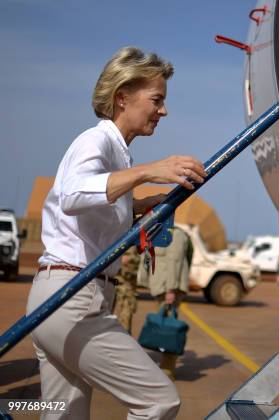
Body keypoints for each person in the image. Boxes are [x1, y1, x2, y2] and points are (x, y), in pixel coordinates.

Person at [25, 46, 206, 420]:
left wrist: (141, 204)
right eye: (157, 100)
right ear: (123, 97)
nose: (164, 110)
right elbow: (73, 194)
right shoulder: (97, 141)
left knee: (63, 415)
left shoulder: (118, 154)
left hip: (61, 297)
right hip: (72, 298)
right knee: (158, 401)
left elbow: (92, 208)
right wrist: (148, 172)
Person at [138, 226, 191, 381]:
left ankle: (167, 370)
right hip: (162, 287)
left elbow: (174, 262)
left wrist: (171, 289)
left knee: (169, 329)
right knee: (164, 327)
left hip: (168, 288)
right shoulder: (159, 230)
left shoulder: (175, 234)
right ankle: (166, 367)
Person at [112, 246, 140, 334]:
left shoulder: (130, 244)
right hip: (112, 287)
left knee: (122, 326)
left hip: (125, 290)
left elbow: (130, 261)